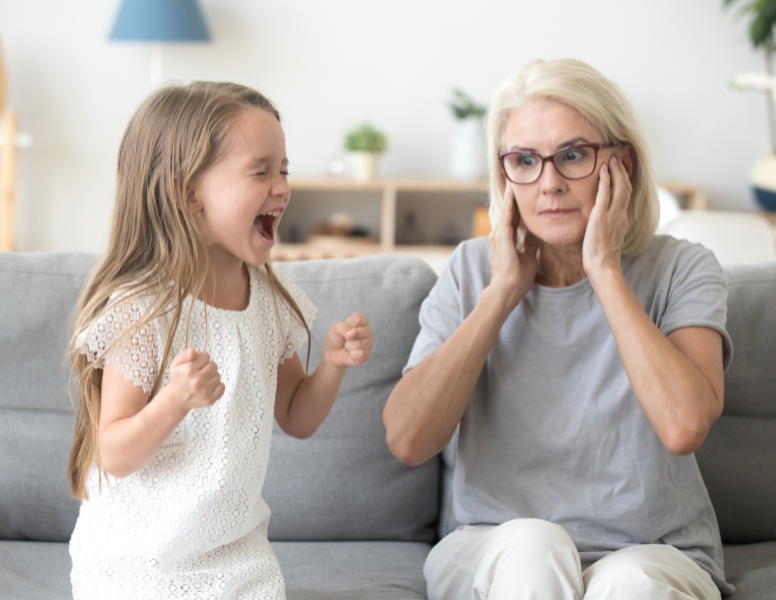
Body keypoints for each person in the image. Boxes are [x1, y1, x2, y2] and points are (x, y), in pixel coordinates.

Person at [383, 59, 733, 599]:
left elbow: (684, 426)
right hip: (493, 545)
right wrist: (501, 292)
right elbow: (408, 440)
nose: (548, 184)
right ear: (506, 175)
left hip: (656, 552)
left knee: (630, 583)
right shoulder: (472, 271)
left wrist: (606, 272)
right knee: (534, 546)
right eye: (524, 160)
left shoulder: (683, 269)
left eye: (572, 155)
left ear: (623, 164)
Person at [66, 82, 373, 600]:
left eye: (284, 170)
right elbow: (113, 453)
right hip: (137, 561)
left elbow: (296, 416)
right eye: (261, 171)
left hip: (236, 558)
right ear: (189, 192)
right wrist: (174, 401)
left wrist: (333, 366)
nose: (281, 187)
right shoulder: (144, 310)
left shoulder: (272, 300)